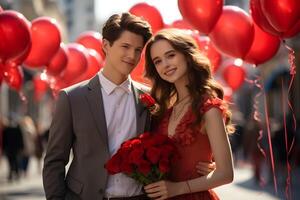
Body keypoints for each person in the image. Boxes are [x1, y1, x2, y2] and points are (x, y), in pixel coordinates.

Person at [43, 12, 153, 200]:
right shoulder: (71, 98)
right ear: (106, 45)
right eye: (125, 46)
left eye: (138, 50)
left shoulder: (150, 98)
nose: (132, 56)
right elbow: (55, 161)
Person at [143, 28, 234, 199]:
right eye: (158, 61)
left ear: (186, 54)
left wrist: (177, 188)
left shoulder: (209, 108)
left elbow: (226, 174)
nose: (165, 65)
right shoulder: (164, 111)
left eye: (170, 55)